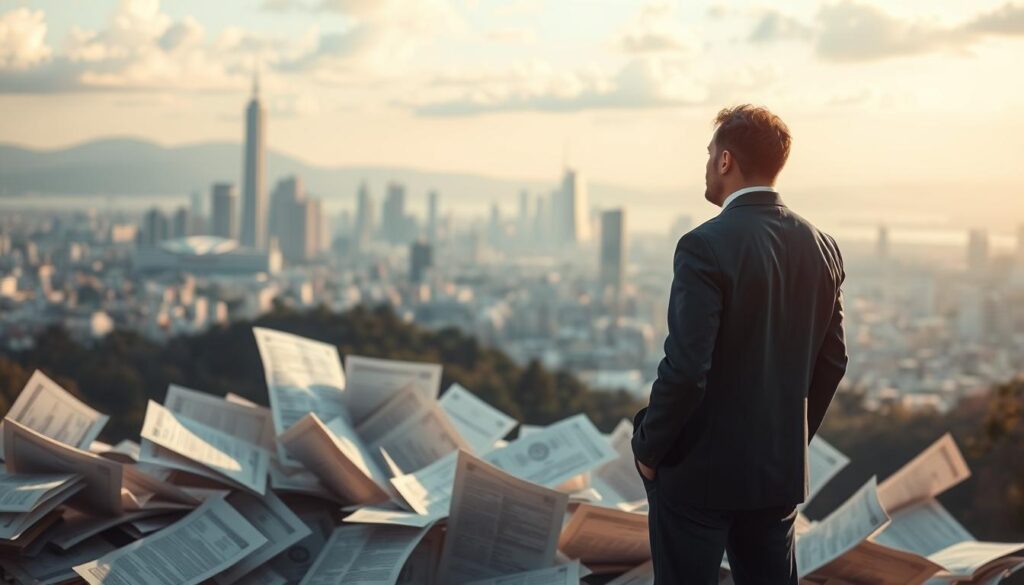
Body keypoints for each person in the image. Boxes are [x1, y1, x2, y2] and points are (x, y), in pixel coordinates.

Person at [631, 104, 848, 584]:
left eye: (709, 154)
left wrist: (648, 448)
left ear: (726, 161)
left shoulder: (704, 245)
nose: (706, 165)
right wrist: (787, 441)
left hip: (698, 475)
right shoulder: (823, 246)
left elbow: (687, 370)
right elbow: (833, 362)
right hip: (776, 474)